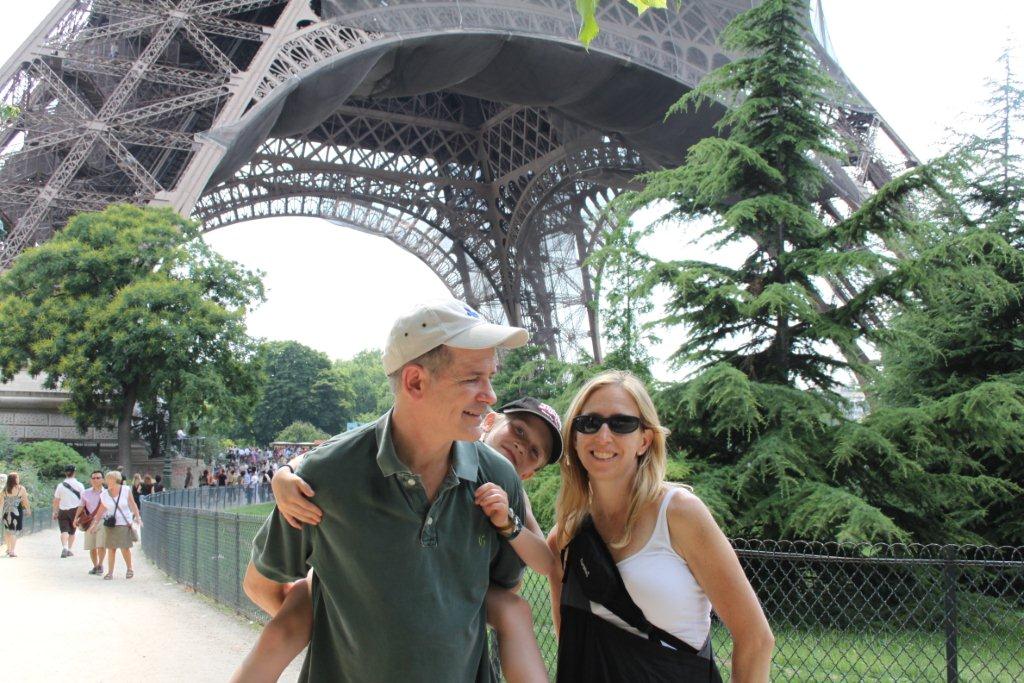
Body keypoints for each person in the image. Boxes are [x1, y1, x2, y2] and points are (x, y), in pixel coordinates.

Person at [240, 298, 529, 682]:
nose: (490, 395)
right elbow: (261, 584)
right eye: (472, 378)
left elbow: (503, 588)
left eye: (490, 376)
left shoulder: (498, 477)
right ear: (415, 382)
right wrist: (329, 627)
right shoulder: (325, 478)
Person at [237, 396, 565, 683]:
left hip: (457, 585)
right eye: (518, 431)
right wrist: (284, 472)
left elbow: (539, 562)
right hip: (365, 573)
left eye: (534, 451)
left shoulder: (507, 486)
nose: (521, 446)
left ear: (529, 473)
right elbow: (336, 453)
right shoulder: (416, 449)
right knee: (295, 612)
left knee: (513, 611)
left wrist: (509, 524)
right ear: (489, 421)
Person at [546, 371, 774, 682]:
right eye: (589, 423)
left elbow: (756, 639)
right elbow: (573, 645)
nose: (603, 435)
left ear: (645, 440)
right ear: (574, 438)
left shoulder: (679, 514)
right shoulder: (566, 536)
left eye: (622, 423)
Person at [90, 470, 142, 580]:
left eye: (110, 479)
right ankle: (110, 573)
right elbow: (101, 510)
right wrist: (95, 524)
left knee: (125, 548)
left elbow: (132, 504)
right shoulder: (104, 494)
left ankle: (129, 569)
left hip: (124, 523)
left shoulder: (125, 490)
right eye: (107, 479)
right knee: (111, 548)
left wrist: (138, 518)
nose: (107, 481)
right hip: (111, 524)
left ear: (116, 480)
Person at [74, 470, 106, 574]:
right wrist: (75, 518)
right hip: (90, 522)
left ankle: (100, 565)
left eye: (98, 478)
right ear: (90, 480)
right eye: (93, 478)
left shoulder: (107, 493)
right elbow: (81, 506)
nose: (96, 480)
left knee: (101, 544)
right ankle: (95, 566)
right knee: (91, 546)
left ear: (103, 480)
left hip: (102, 520)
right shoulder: (85, 493)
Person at [52, 464, 85, 558]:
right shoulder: (79, 485)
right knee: (72, 531)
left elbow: (56, 500)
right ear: (74, 472)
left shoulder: (60, 486)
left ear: (65, 473)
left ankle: (64, 547)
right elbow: (83, 500)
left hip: (63, 510)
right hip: (75, 510)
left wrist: (55, 512)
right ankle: (69, 549)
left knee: (64, 531)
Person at [2, 472, 31, 557]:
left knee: (7, 531)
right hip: (16, 513)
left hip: (6, 513)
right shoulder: (21, 489)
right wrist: (28, 510)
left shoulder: (4, 490)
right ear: (14, 480)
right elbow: (25, 501)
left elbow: (1, 503)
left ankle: (8, 549)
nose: (19, 479)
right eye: (17, 478)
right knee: (14, 532)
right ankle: (12, 551)